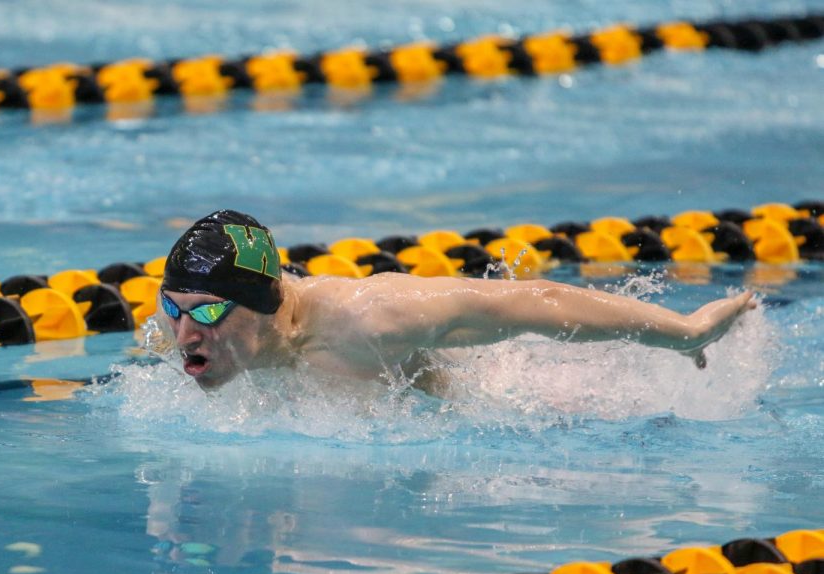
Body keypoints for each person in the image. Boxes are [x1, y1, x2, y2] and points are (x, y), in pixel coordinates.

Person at [158, 209, 757, 392]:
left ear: (262, 303)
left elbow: (532, 302)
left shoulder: (369, 319)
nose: (184, 335)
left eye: (207, 311)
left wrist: (686, 331)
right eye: (173, 309)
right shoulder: (190, 342)